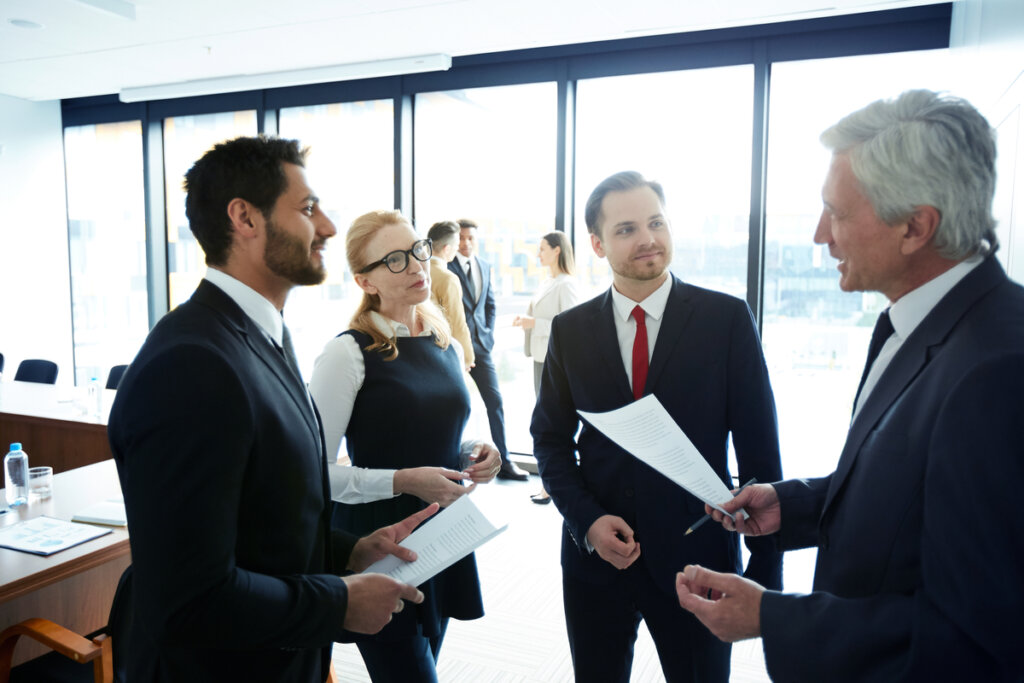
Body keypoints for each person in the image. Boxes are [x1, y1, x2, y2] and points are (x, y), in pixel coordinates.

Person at [676, 90, 1024, 682]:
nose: (819, 236)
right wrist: (798, 506)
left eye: (836, 213)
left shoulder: (998, 371)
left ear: (915, 227)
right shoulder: (917, 320)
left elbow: (976, 640)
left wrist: (772, 617)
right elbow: (918, 492)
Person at [107, 136, 434, 683]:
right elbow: (187, 599)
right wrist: (337, 603)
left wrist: (349, 551)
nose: (327, 227)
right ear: (245, 219)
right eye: (308, 209)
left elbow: (257, 522)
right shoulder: (191, 363)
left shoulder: (262, 334)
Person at [531, 171, 783, 683]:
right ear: (598, 245)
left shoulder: (726, 320)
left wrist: (765, 577)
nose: (647, 238)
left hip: (699, 558)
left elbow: (761, 452)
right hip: (597, 559)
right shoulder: (571, 331)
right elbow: (550, 442)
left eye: (656, 223)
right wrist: (587, 521)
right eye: (626, 229)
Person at [310, 209, 501, 682]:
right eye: (394, 260)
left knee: (423, 662)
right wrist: (403, 480)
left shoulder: (445, 342)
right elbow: (310, 471)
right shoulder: (348, 352)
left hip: (444, 533)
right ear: (365, 280)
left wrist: (476, 451)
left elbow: (441, 434)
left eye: (416, 250)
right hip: (380, 541)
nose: (416, 265)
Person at [449, 218, 529, 481]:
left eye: (470, 238)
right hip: (453, 350)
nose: (465, 243)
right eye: (461, 238)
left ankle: (504, 463)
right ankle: (452, 466)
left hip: (481, 348)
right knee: (454, 405)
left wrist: (488, 335)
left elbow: (490, 304)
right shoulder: (444, 267)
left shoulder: (484, 265)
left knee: (495, 402)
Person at [513, 231, 580, 504]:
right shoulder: (548, 282)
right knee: (545, 422)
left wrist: (534, 325)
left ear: (557, 251)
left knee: (550, 424)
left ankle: (552, 485)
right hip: (541, 357)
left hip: (554, 361)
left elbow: (573, 326)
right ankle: (550, 484)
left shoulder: (566, 285)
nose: (538, 253)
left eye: (542, 249)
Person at [427, 220, 475, 371]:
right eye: (456, 245)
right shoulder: (448, 278)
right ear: (447, 248)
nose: (457, 249)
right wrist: (468, 357)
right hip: (442, 351)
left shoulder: (417, 271)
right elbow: (456, 321)